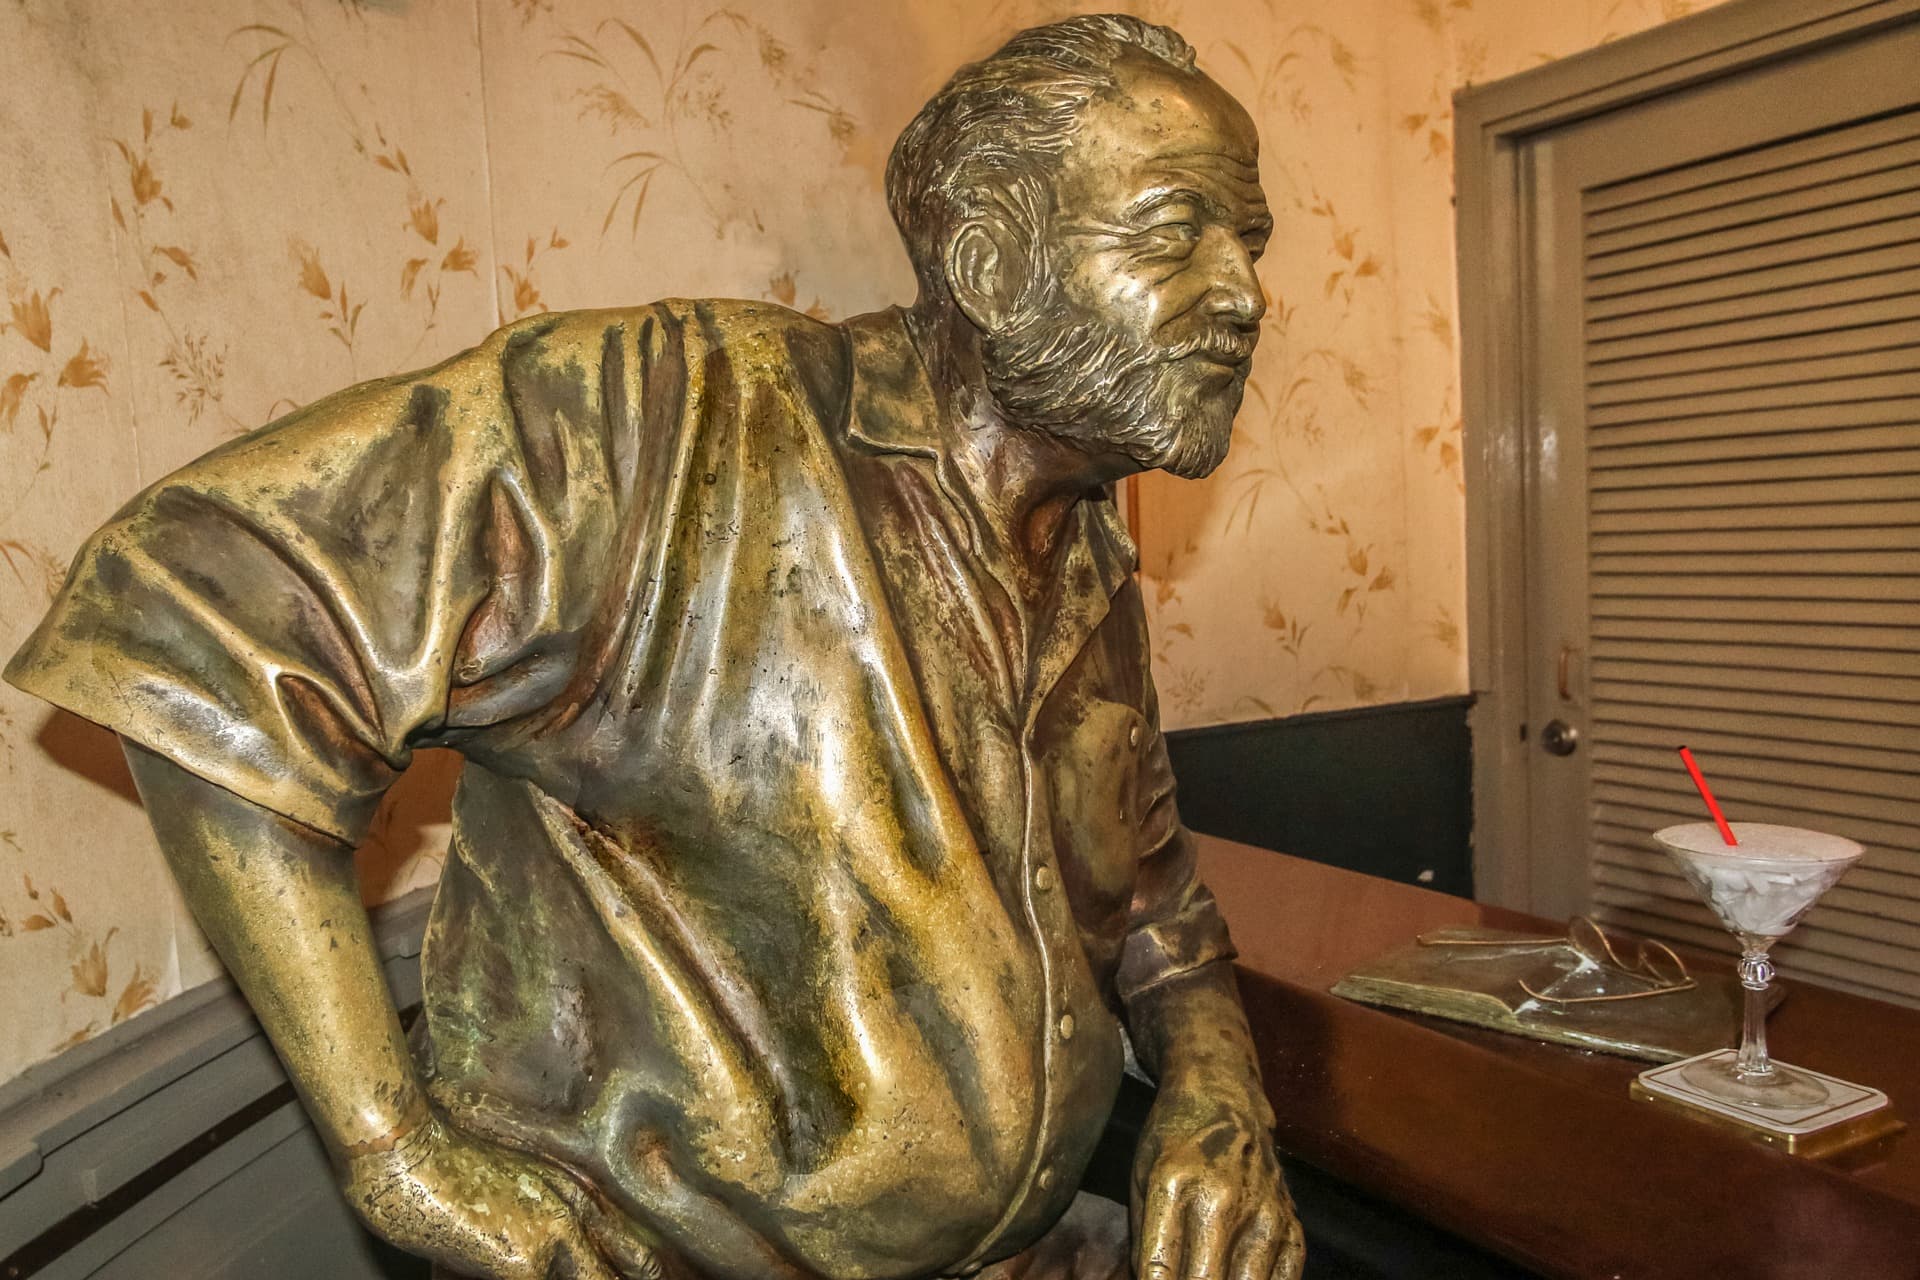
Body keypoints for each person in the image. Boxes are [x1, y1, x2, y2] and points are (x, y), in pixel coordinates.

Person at [7, 15, 1302, 1280]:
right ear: (985, 259)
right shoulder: (673, 420)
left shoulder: (1091, 563)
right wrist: (395, 1150)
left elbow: (1156, 912)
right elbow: (201, 610)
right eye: (1176, 232)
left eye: (1248, 243)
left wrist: (1216, 1093)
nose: (1245, 297)